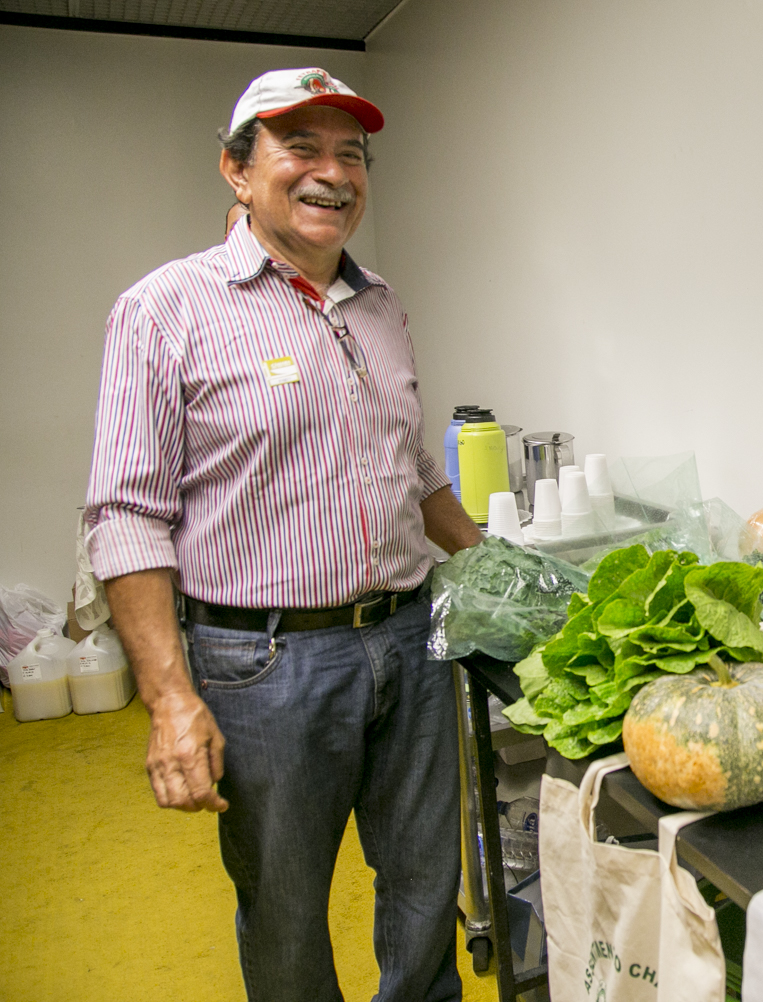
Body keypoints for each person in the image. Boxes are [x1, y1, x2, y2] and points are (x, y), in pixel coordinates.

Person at [84, 67, 482, 1002]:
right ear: (236, 169)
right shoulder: (165, 309)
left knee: (427, 885)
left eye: (351, 154)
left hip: (410, 639)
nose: (330, 173)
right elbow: (125, 516)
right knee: (288, 906)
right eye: (299, 148)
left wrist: (492, 563)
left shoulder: (380, 303)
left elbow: (409, 463)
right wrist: (171, 700)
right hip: (265, 665)